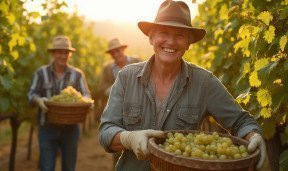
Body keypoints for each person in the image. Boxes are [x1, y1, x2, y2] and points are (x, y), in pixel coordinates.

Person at [98, 1, 266, 171]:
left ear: (188, 43)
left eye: (180, 35)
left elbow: (240, 121)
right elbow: (106, 132)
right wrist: (128, 138)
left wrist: (253, 135)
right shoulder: (127, 77)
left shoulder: (204, 82)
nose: (171, 42)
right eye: (164, 33)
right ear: (151, 38)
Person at [28, 35, 91, 171]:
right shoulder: (41, 73)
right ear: (53, 53)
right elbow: (31, 94)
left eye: (66, 52)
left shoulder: (77, 74)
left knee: (69, 167)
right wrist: (39, 100)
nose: (63, 56)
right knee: (46, 167)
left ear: (70, 54)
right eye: (59, 52)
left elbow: (86, 94)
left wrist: (86, 102)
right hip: (47, 128)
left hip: (71, 129)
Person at [98, 38, 140, 166]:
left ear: (123, 49)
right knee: (117, 143)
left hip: (137, 109)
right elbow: (101, 87)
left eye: (118, 51)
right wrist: (113, 88)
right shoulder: (107, 68)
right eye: (112, 53)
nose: (116, 54)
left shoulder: (137, 62)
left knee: (137, 144)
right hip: (118, 111)